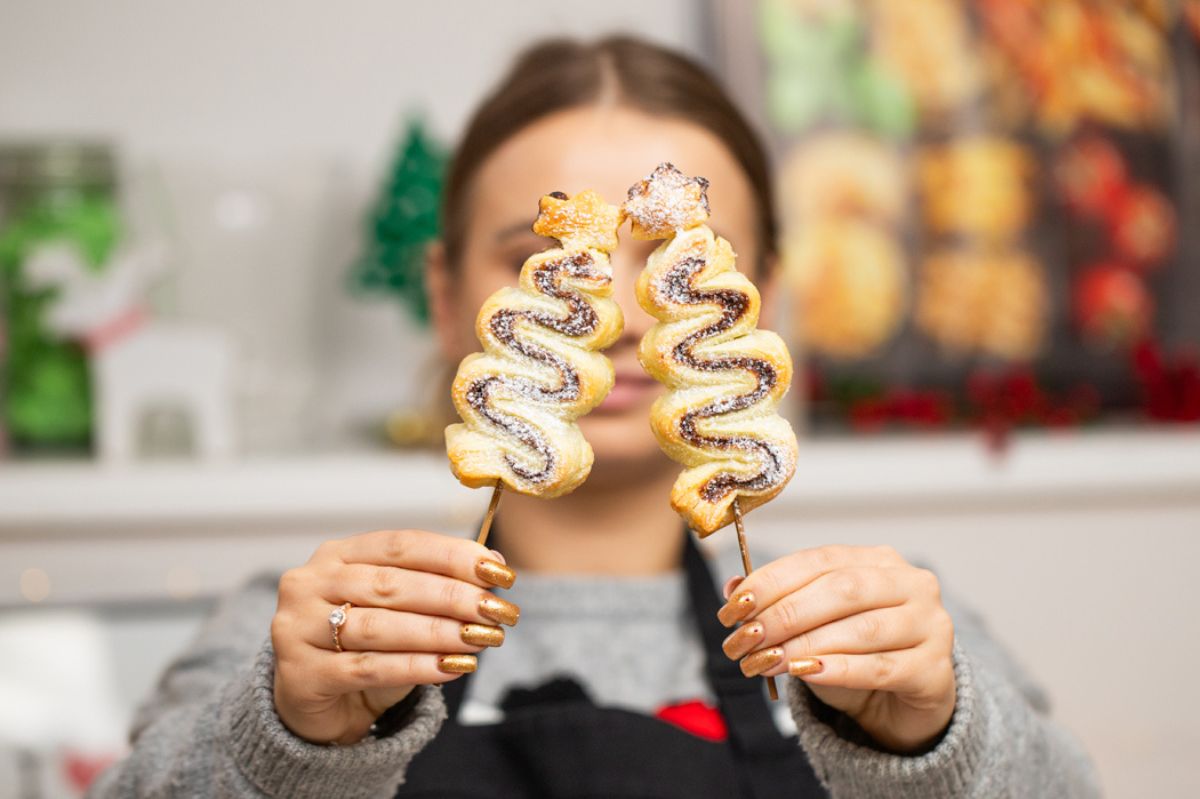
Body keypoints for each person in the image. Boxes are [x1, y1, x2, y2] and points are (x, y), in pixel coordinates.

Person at [90, 36, 1099, 798]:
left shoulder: (885, 627)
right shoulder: (308, 623)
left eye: (675, 262)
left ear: (763, 300)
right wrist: (286, 734)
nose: (618, 319)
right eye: (545, 256)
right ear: (448, 298)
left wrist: (931, 738)